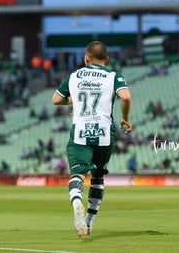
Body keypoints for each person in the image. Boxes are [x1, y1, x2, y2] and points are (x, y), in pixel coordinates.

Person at [52, 41, 132, 237]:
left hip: (81, 132)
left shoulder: (75, 76)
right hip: (104, 133)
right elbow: (126, 97)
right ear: (107, 59)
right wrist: (125, 118)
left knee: (78, 174)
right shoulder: (113, 76)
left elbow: (56, 99)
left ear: (86, 59)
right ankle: (88, 221)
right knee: (97, 176)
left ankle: (77, 200)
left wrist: (74, 98)